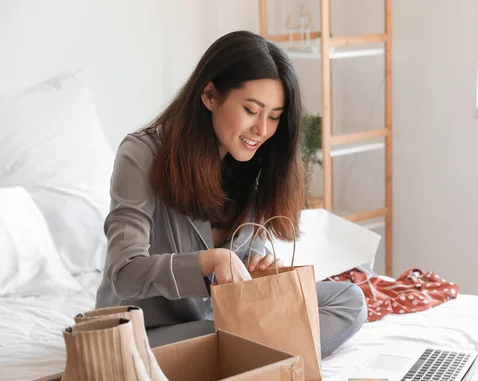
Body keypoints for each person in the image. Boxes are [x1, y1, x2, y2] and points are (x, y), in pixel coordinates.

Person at [95, 30, 367, 359]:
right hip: (142, 334)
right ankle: (267, 358)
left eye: (274, 117)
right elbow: (124, 273)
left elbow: (248, 248)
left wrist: (257, 266)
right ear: (209, 95)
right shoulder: (141, 154)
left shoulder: (253, 164)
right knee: (232, 335)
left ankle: (259, 358)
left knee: (349, 300)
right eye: (252, 110)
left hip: (219, 321)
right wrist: (208, 262)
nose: (263, 130)